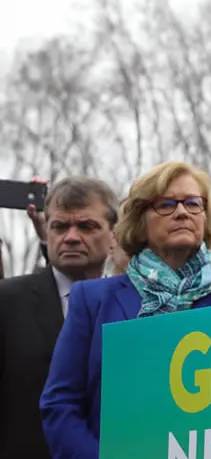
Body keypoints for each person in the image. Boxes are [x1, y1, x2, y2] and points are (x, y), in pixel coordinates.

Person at [39, 162, 211, 459]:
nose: (182, 212)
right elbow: (60, 404)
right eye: (166, 204)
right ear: (139, 220)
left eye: (193, 203)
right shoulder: (92, 300)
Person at [0, 176, 119, 459]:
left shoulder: (136, 307)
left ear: (115, 235)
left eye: (87, 226)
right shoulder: (7, 302)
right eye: (60, 226)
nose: (72, 237)